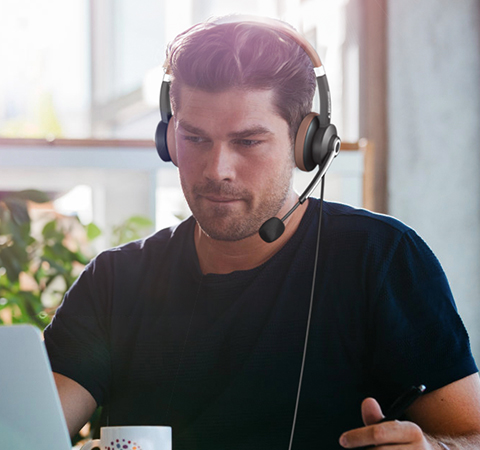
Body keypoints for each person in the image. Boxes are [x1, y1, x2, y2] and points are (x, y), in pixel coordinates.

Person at [44, 16, 480, 449]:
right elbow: (19, 430)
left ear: (305, 143)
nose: (218, 170)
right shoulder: (116, 280)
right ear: (169, 139)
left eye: (248, 142)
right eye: (195, 139)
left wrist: (436, 448)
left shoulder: (380, 259)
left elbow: (472, 436)